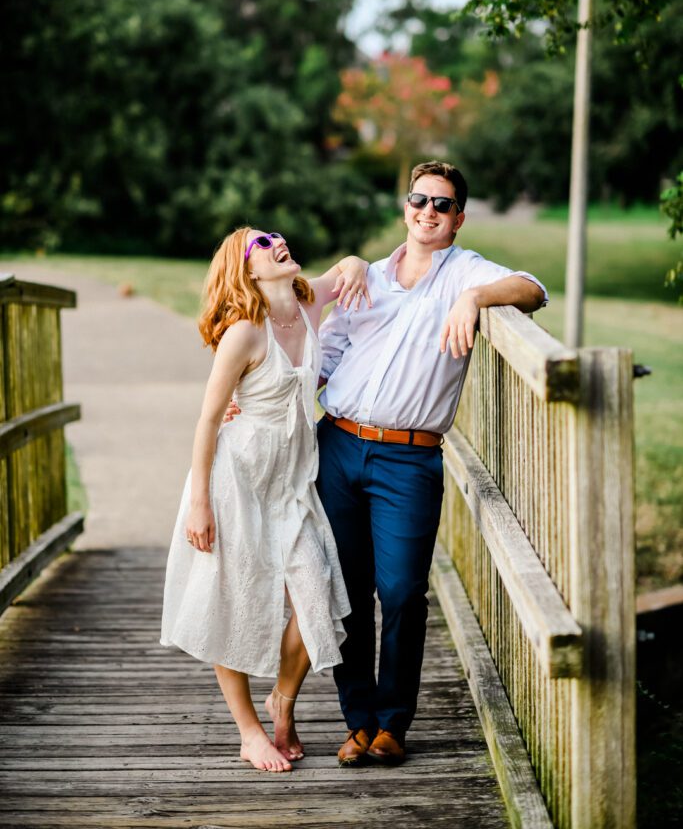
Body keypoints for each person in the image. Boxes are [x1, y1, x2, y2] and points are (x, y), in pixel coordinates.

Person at [315, 160, 548, 767]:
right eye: (419, 200)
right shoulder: (365, 276)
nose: (428, 211)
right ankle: (358, 722)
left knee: (400, 591)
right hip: (337, 444)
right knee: (346, 589)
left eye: (441, 205)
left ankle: (394, 721)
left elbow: (533, 287)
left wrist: (474, 297)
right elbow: (329, 351)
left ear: (458, 219)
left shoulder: (465, 272)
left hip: (407, 459)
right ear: (405, 207)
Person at [160, 227, 371, 773]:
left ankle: (282, 698)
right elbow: (208, 419)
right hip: (238, 481)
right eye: (261, 242)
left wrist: (356, 263)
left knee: (315, 591)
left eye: (276, 235)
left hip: (292, 484)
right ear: (248, 269)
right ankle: (249, 732)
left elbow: (349, 263)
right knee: (227, 600)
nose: (277, 241)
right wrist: (200, 503)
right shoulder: (244, 335)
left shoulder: (306, 300)